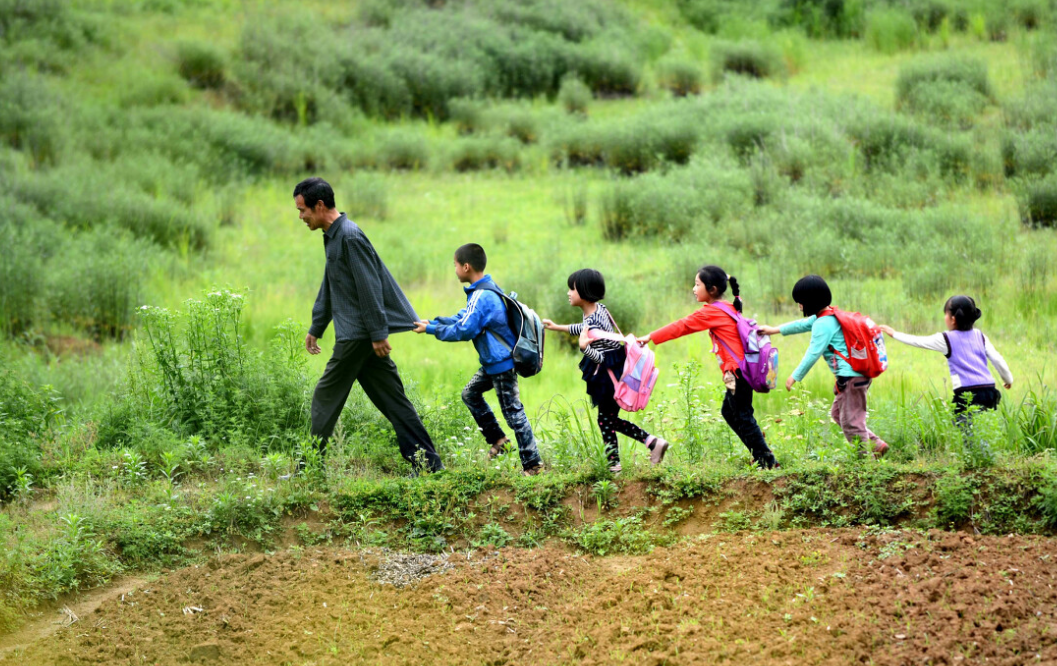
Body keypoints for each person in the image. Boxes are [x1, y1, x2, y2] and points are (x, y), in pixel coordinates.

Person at [296, 177, 443, 473]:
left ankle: (308, 469)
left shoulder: (349, 236)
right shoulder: (332, 236)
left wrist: (378, 334)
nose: (301, 217)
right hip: (361, 336)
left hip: (357, 336)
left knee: (325, 395)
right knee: (394, 400)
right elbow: (331, 285)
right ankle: (429, 465)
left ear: (320, 205)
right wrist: (317, 325)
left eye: (303, 210)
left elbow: (369, 287)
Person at [413, 244, 544, 476]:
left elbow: (464, 330)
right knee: (470, 394)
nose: (454, 270)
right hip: (493, 363)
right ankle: (499, 440)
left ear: (466, 266)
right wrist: (433, 323)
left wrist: (432, 330)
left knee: (514, 412)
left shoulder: (482, 295)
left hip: (501, 364)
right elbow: (463, 317)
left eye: (455, 265)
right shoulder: (483, 290)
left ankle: (533, 464)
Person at [638, 266, 779, 469]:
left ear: (711, 289)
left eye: (697, 285)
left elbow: (683, 325)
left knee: (742, 415)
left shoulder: (711, 312)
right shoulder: (728, 306)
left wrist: (651, 336)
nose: (694, 289)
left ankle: (767, 461)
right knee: (730, 412)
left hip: (738, 373)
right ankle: (760, 454)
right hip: (743, 371)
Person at [543, 269, 669, 474]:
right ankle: (621, 460)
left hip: (607, 377)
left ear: (583, 292)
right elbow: (584, 329)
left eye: (571, 288)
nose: (568, 292)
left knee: (606, 420)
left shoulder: (592, 320)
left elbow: (599, 356)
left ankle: (646, 445)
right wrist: (557, 327)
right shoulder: (598, 309)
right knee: (607, 419)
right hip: (616, 371)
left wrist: (585, 349)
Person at [758, 274, 888, 459]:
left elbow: (813, 353)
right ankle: (876, 445)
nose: (799, 306)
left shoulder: (823, 324)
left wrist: (794, 376)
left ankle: (865, 463)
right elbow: (801, 324)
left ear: (810, 301)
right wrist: (775, 329)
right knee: (837, 414)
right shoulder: (828, 315)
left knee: (851, 423)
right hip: (853, 378)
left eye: (800, 302)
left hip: (851, 379)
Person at [879, 295, 1012, 430]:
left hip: (967, 393)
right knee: (979, 429)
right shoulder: (980, 336)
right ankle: (984, 448)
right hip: (989, 391)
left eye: (945, 315)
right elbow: (997, 358)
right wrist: (1008, 379)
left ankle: (979, 450)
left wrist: (894, 334)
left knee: (963, 431)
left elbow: (918, 341)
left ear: (953, 319)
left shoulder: (946, 339)